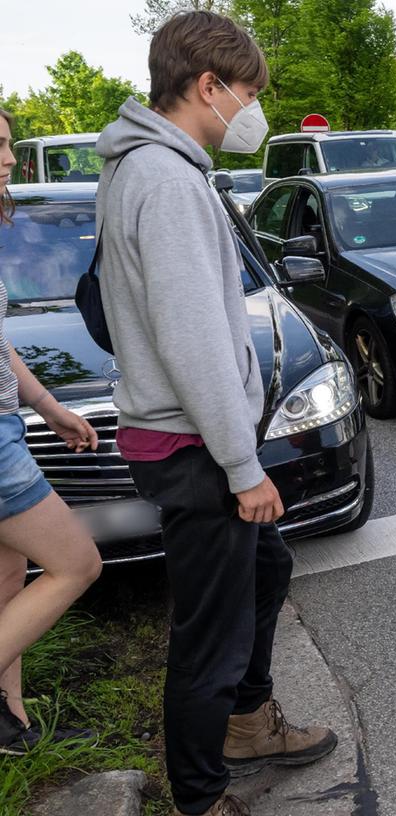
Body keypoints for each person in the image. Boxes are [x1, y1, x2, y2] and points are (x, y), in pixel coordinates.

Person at [96, 12, 336, 816]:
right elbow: (193, 336)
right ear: (207, 86)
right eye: (248, 94)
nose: (252, 110)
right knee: (211, 635)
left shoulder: (150, 169)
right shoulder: (163, 180)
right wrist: (241, 466)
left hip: (190, 433)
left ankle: (247, 719)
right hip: (193, 444)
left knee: (266, 569)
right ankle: (200, 797)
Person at [0, 107, 105, 755]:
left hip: (8, 421)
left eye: (7, 145)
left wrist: (48, 406)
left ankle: (11, 725)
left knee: (9, 577)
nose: (9, 159)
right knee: (76, 563)